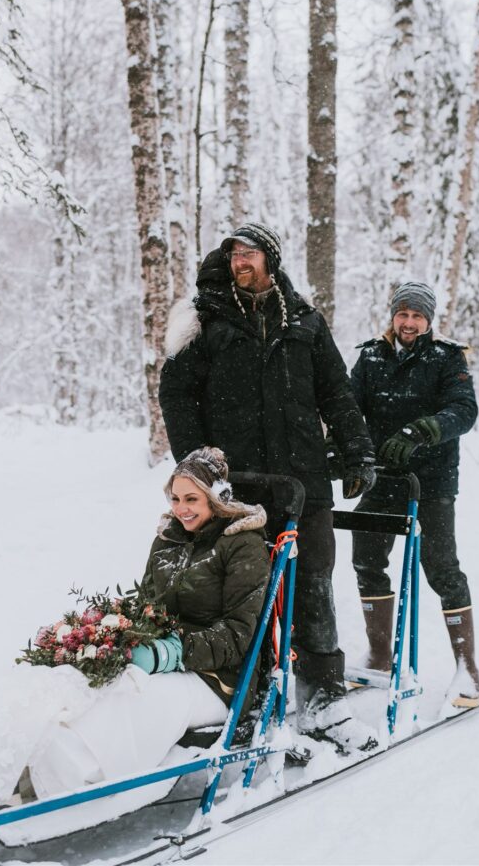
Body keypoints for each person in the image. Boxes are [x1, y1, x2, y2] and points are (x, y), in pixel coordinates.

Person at [0, 448, 270, 818]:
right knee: (72, 682)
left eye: (192, 499)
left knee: (128, 696)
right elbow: (146, 603)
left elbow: (239, 635)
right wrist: (112, 632)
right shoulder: (169, 540)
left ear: (216, 498)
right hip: (161, 654)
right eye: (175, 498)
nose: (181, 509)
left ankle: (39, 783)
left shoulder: (242, 544)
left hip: (215, 678)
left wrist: (173, 652)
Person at [159, 222, 377, 738]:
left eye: (250, 253)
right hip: (236, 490)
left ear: (270, 260)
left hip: (304, 483)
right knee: (239, 593)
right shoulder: (203, 321)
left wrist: (358, 452)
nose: (240, 261)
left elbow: (337, 394)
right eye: (234, 252)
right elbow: (177, 397)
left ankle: (324, 701)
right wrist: (198, 467)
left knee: (315, 586)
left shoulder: (304, 320)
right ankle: (248, 701)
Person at [350, 282, 479, 707]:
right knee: (366, 558)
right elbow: (350, 409)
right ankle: (378, 654)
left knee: (441, 568)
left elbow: (464, 411)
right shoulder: (371, 356)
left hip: (432, 483)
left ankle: (468, 667)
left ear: (429, 320)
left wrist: (421, 430)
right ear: (393, 315)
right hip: (383, 479)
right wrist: (346, 452)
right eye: (402, 314)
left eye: (417, 316)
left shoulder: (447, 357)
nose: (409, 323)